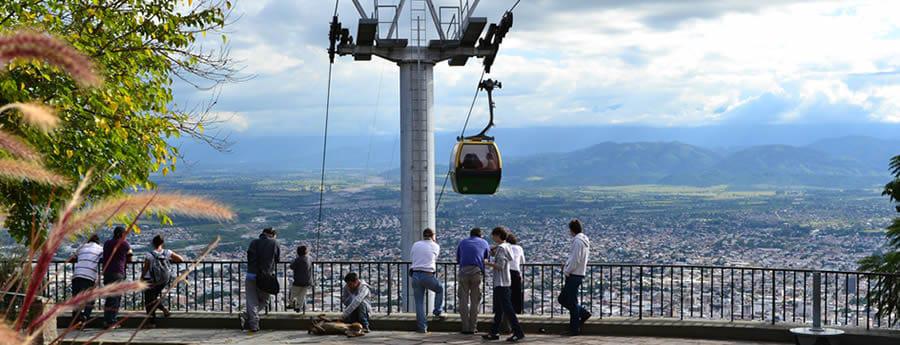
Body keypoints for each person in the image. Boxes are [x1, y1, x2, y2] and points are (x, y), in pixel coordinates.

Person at [482, 227, 524, 342]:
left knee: (507, 308)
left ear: (498, 235)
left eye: (493, 235)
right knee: (500, 309)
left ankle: (518, 332)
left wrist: (487, 263)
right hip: (506, 281)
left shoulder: (501, 248)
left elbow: (500, 265)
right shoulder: (507, 246)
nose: (492, 237)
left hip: (500, 282)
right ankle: (494, 331)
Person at [241, 227, 280, 333]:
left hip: (251, 274)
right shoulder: (274, 243)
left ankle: (251, 320)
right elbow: (277, 259)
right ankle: (251, 321)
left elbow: (249, 257)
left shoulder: (253, 242)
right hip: (265, 276)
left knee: (252, 300)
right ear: (272, 235)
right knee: (265, 300)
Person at [141, 234, 184, 328]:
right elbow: (181, 259)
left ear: (153, 243)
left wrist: (141, 278)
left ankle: (152, 322)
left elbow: (146, 268)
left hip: (151, 280)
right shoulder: (167, 252)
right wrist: (168, 262)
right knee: (152, 298)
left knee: (149, 300)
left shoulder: (149, 254)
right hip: (163, 279)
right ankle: (164, 310)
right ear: (162, 243)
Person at [558, 219, 592, 336]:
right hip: (579, 273)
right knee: (564, 299)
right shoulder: (584, 240)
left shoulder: (577, 241)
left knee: (569, 302)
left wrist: (567, 270)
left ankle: (574, 329)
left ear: (571, 229)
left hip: (574, 274)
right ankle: (584, 313)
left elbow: (575, 259)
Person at [409, 228, 445, 333]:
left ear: (423, 235)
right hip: (427, 274)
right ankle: (437, 311)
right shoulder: (435, 246)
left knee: (419, 303)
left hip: (415, 274)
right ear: (433, 235)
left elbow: (412, 257)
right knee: (439, 289)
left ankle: (422, 327)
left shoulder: (415, 244)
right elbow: (434, 258)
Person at [456, 227, 490, 335]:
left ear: (470, 234)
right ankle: (472, 328)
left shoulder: (462, 242)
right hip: (476, 272)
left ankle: (465, 327)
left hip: (463, 272)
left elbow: (458, 259)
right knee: (475, 301)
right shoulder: (484, 243)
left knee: (463, 301)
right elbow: (486, 258)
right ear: (480, 235)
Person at [66, 234, 103, 326]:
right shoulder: (100, 249)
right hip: (89, 276)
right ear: (98, 241)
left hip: (77, 275)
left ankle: (75, 321)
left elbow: (71, 258)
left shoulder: (82, 247)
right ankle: (85, 316)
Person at [101, 226, 132, 329]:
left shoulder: (107, 243)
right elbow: (130, 256)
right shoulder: (124, 243)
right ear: (122, 234)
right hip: (118, 272)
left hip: (106, 272)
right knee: (115, 298)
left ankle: (106, 320)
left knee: (109, 297)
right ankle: (111, 322)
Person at [289, 245, 313, 313]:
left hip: (298, 280)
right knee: (302, 295)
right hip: (307, 280)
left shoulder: (297, 260)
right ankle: (298, 307)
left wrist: (294, 259)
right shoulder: (309, 258)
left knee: (293, 293)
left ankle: (291, 304)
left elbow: (291, 266)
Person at [507, 234, 525, 315]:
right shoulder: (519, 248)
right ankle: (517, 311)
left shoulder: (505, 247)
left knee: (505, 292)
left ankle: (506, 311)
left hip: (505, 272)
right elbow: (523, 262)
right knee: (517, 292)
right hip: (515, 272)